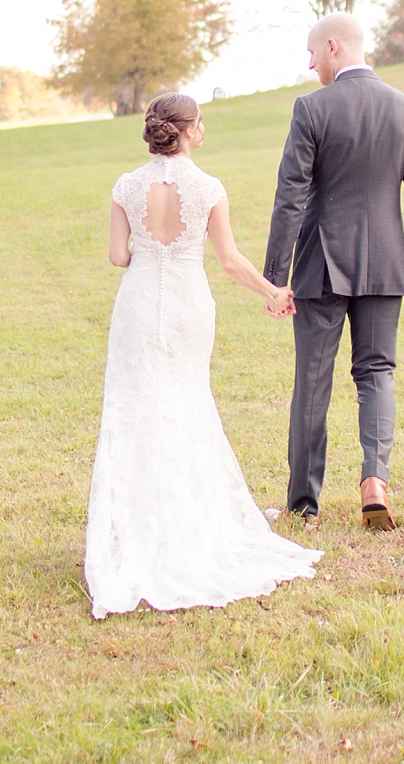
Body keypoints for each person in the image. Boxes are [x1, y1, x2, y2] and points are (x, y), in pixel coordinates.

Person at [83, 93, 322, 619]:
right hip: (190, 305)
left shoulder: (125, 186)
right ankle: (188, 525)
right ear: (191, 131)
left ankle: (136, 532)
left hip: (139, 306)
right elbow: (231, 261)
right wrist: (273, 293)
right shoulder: (208, 188)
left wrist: (148, 248)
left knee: (135, 409)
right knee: (188, 404)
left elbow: (118, 257)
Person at [263, 14, 404, 531]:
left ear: (333, 47)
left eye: (312, 53)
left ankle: (304, 507)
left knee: (313, 379)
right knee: (377, 372)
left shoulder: (312, 109)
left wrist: (277, 276)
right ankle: (375, 481)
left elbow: (289, 196)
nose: (310, 63)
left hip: (322, 264)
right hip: (387, 263)